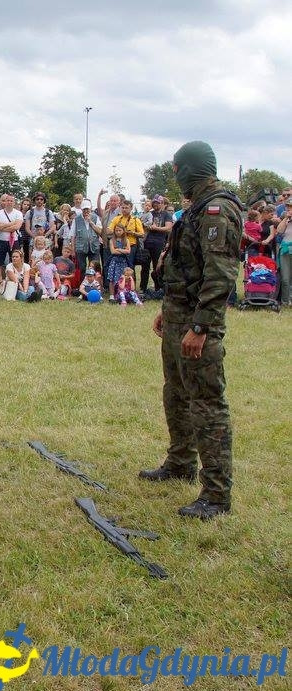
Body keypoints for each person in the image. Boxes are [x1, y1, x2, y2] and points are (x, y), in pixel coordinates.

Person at [140, 141, 242, 519]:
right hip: (178, 315)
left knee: (207, 403)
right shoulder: (196, 208)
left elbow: (220, 274)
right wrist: (168, 310)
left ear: (189, 169)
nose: (175, 177)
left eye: (177, 169)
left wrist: (200, 325)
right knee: (176, 393)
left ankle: (215, 494)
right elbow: (184, 266)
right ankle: (180, 462)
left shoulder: (217, 209)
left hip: (198, 322)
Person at [0, 193, 22, 289]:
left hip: (14, 241)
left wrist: (2, 227)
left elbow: (16, 227)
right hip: (1, 241)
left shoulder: (18, 213)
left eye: (11, 201)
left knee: (15, 263)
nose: (9, 202)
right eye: (7, 200)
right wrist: (10, 224)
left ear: (14, 202)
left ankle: (14, 283)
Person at [106, 224, 133, 297]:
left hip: (123, 262)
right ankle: (112, 295)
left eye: (120, 230)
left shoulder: (126, 240)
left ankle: (122, 293)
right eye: (116, 230)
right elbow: (113, 252)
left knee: (123, 277)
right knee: (111, 278)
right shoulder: (112, 240)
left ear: (123, 231)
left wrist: (118, 249)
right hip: (114, 261)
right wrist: (123, 250)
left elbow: (128, 251)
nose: (118, 232)